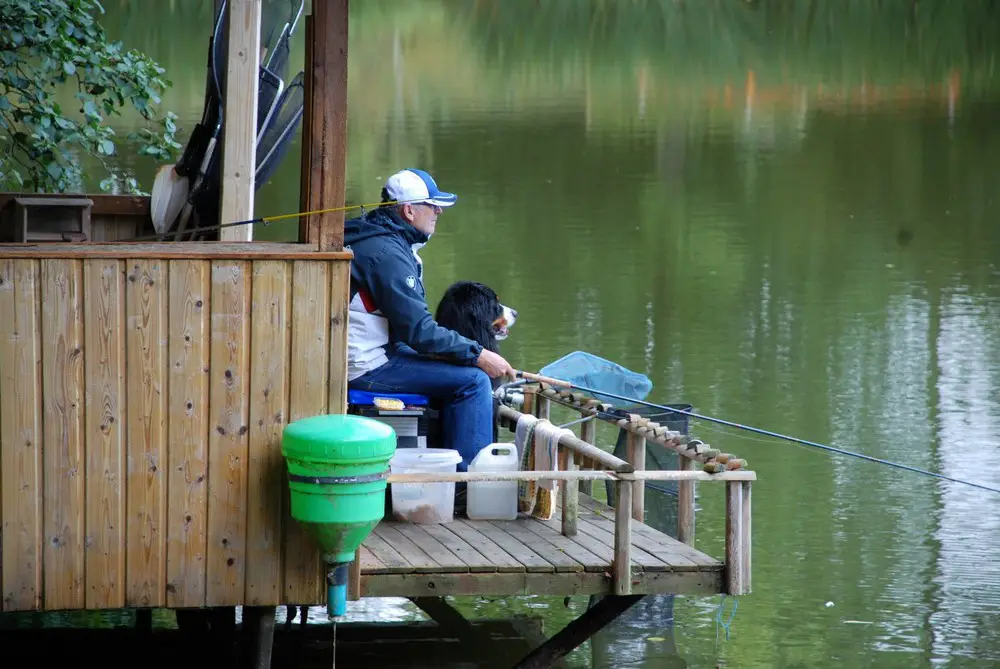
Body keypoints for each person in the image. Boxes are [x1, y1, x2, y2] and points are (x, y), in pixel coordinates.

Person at [344, 168, 515, 472]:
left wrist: (455, 354)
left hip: (377, 352)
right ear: (409, 211)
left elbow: (411, 330)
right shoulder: (386, 253)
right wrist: (479, 354)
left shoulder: (378, 237)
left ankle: (447, 466)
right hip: (366, 366)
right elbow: (419, 331)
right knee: (475, 381)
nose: (438, 211)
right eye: (432, 205)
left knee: (459, 366)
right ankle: (469, 482)